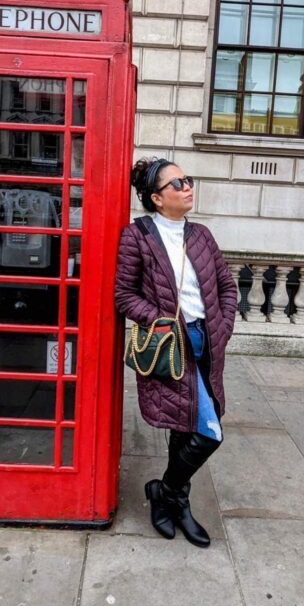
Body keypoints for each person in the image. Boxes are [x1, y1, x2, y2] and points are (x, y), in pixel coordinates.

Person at [115, 157, 238, 548]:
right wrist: (161, 320)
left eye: (188, 180)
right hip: (172, 347)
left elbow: (227, 288)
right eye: (177, 183)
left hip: (208, 344)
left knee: (186, 426)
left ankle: (170, 498)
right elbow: (124, 295)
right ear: (156, 197)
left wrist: (223, 327)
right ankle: (166, 492)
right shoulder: (139, 237)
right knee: (209, 433)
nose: (187, 187)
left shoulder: (201, 234)